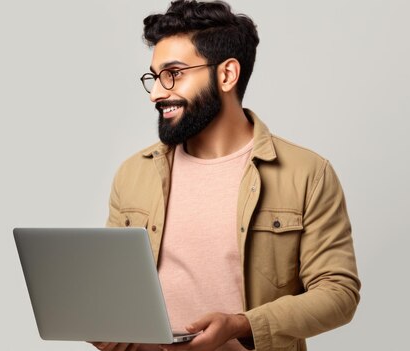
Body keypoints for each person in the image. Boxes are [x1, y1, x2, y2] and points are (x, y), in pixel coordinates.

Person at [90, 1, 360, 351]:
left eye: (174, 73)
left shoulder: (307, 173)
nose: (157, 92)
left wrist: (241, 325)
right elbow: (116, 295)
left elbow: (338, 293)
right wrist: (96, 322)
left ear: (227, 74)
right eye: (154, 77)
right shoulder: (132, 174)